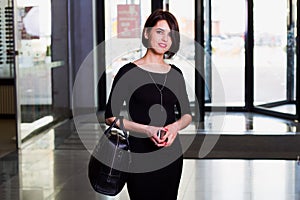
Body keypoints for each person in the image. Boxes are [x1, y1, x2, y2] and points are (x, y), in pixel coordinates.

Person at [105, 9, 192, 200]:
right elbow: (110, 116)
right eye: (159, 31)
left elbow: (187, 114)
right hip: (139, 154)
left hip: (171, 153)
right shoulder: (128, 71)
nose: (165, 39)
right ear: (147, 33)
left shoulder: (175, 74)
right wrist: (147, 130)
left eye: (170, 34)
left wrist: (175, 127)